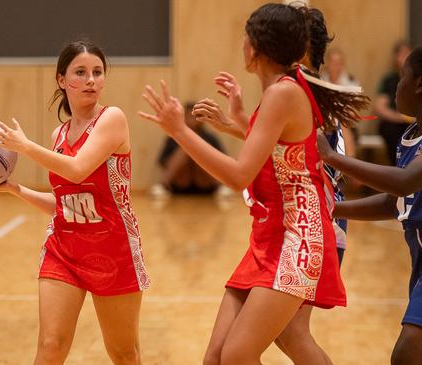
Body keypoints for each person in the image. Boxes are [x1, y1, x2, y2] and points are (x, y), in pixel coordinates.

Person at [139, 3, 366, 364]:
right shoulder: (281, 91)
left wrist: (179, 130)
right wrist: (239, 121)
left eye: (246, 35)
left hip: (298, 234)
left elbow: (239, 174)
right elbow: (280, 151)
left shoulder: (284, 93)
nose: (241, 42)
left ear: (256, 47)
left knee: (239, 354)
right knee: (216, 357)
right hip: (271, 232)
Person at [0, 39, 150, 365]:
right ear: (62, 80)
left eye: (97, 72)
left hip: (113, 250)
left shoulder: (112, 119)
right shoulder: (58, 135)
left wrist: (25, 147)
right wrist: (15, 189)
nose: (91, 80)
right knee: (51, 345)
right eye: (80, 72)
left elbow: (79, 170)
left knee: (124, 353)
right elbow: (67, 203)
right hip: (64, 250)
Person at [317, 42, 422, 365]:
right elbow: (396, 201)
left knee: (408, 355)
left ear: (421, 83)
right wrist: (331, 209)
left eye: (402, 77)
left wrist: (331, 157)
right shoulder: (414, 135)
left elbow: (404, 181)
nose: (397, 85)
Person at [152, 102, 226, 198]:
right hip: (181, 183)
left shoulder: (210, 137)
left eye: (195, 116)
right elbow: (163, 161)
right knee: (186, 147)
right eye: (188, 115)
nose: (192, 119)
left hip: (205, 184)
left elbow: (222, 161)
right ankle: (163, 185)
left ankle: (220, 187)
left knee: (199, 148)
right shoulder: (173, 136)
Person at [374, 40, 413, 165]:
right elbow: (379, 107)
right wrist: (400, 117)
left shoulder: (418, 79)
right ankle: (398, 167)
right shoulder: (389, 80)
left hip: (414, 123)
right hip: (395, 124)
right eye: (402, 54)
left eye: (408, 53)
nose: (405, 58)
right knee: (389, 128)